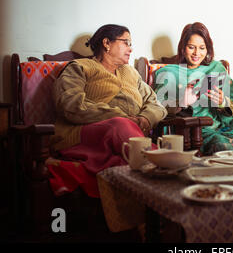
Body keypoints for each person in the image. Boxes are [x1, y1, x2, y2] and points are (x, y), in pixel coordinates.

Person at [49, 24, 167, 196]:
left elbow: (156, 103)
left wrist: (144, 119)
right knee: (119, 125)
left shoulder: (131, 73)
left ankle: (143, 214)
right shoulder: (80, 67)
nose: (131, 49)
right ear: (106, 43)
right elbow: (70, 103)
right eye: (126, 42)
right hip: (82, 133)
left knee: (124, 165)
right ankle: (162, 166)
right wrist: (121, 117)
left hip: (126, 136)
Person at [154, 22, 233, 155]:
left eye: (202, 48)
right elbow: (157, 109)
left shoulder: (217, 68)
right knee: (222, 147)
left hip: (226, 126)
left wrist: (224, 102)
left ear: (208, 49)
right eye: (191, 47)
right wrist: (182, 102)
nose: (196, 53)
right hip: (196, 130)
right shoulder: (168, 73)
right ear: (183, 48)